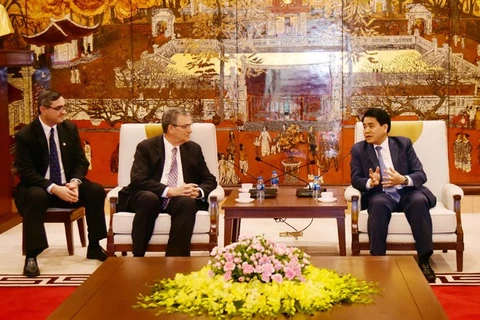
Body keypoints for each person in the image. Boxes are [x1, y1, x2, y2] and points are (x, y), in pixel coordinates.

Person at [14, 90, 108, 278]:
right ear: (43, 110)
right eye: (58, 108)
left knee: (95, 190)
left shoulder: (69, 129)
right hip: (39, 188)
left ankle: (95, 245)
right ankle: (32, 256)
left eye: (64, 107)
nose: (63, 112)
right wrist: (54, 188)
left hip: (67, 186)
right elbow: (27, 172)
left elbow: (82, 162)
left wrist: (74, 182)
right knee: (35, 195)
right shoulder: (26, 135)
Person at [349, 108, 437, 282]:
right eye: (364, 126)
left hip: (407, 192)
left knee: (419, 201)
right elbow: (355, 179)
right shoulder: (358, 149)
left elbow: (421, 174)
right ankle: (378, 261)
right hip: (381, 194)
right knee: (378, 205)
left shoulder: (404, 144)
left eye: (371, 126)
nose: (366, 130)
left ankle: (424, 260)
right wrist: (370, 183)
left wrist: (402, 179)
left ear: (385, 127)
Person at [117, 108, 217, 257]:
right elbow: (138, 179)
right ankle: (137, 258)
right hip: (146, 196)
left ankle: (175, 261)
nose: (190, 130)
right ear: (171, 128)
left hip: (177, 199)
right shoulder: (146, 147)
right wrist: (170, 191)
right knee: (149, 199)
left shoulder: (193, 149)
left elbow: (209, 179)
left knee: (188, 203)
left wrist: (199, 191)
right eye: (185, 126)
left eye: (190, 126)